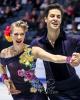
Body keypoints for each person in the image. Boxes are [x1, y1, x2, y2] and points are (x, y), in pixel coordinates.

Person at [0, 20, 70, 100]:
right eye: (16, 34)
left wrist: (69, 59)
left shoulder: (33, 50)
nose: (19, 37)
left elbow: (53, 58)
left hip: (36, 92)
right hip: (17, 93)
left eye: (22, 34)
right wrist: (5, 79)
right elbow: (2, 66)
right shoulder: (4, 53)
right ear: (11, 35)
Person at [31, 3, 80, 100]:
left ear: (61, 20)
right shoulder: (36, 43)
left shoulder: (71, 39)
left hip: (75, 88)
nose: (55, 18)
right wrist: (38, 90)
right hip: (53, 90)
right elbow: (28, 70)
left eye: (58, 16)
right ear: (46, 19)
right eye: (52, 16)